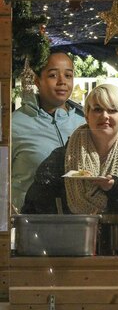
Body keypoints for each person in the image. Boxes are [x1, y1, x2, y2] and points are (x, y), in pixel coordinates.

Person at [21, 84, 118, 214]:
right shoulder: (62, 157)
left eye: (112, 110)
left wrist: (117, 188)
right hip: (74, 236)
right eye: (98, 109)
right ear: (87, 115)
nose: (105, 116)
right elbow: (35, 206)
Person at [11, 51, 85, 212]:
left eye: (68, 75)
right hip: (28, 224)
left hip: (79, 224)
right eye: (53, 75)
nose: (62, 82)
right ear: (37, 80)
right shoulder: (14, 124)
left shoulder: (84, 123)